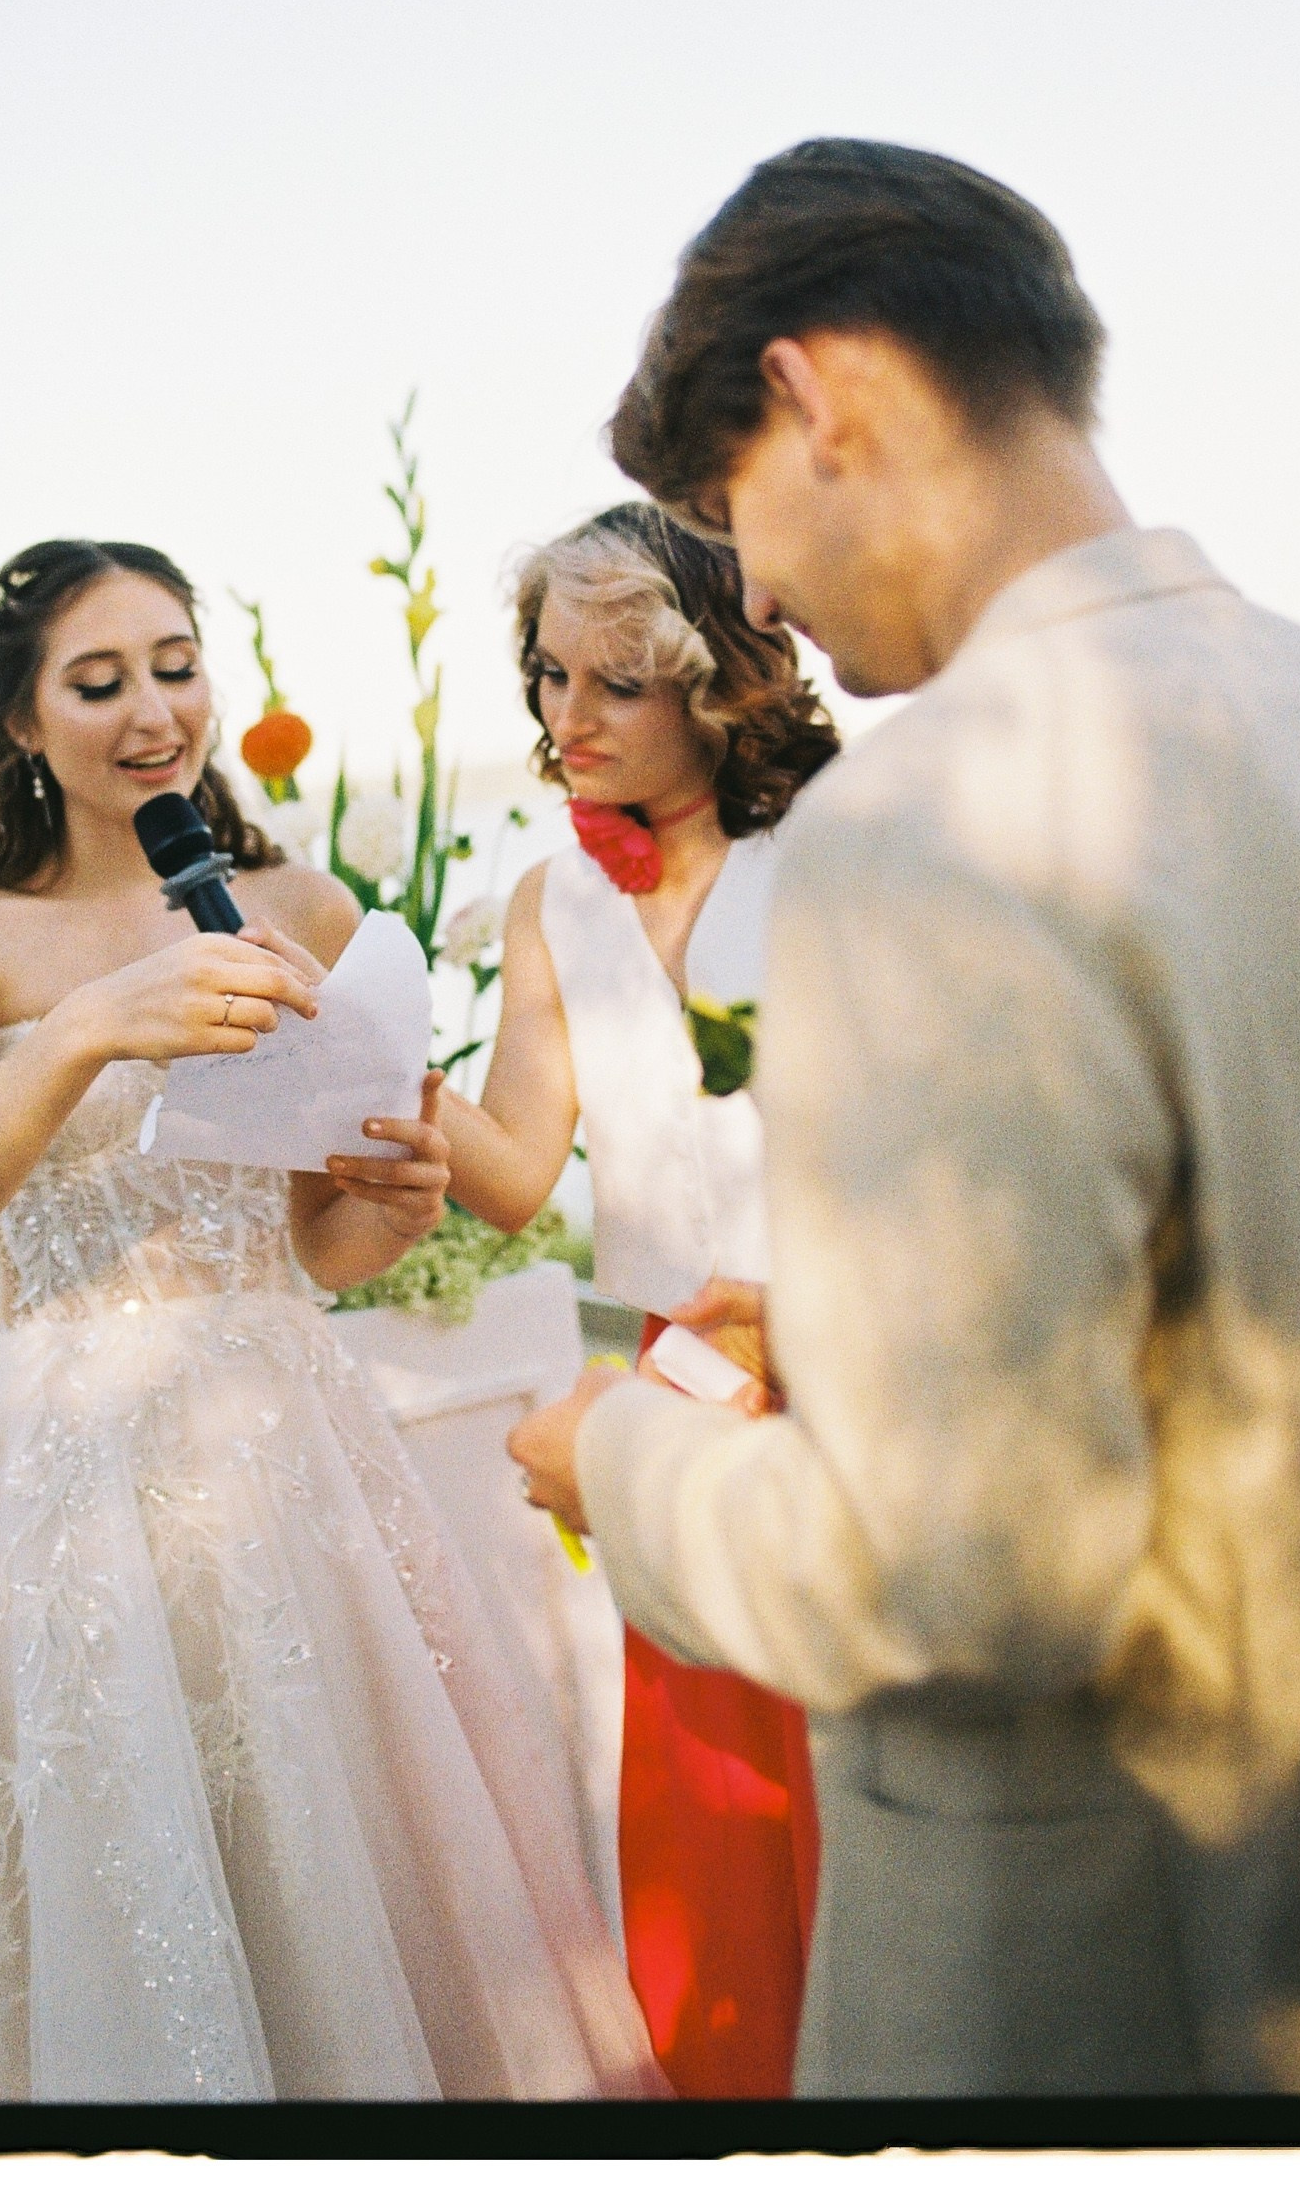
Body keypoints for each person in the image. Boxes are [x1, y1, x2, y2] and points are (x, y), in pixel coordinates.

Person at [509, 139, 1300, 2097]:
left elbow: (970, 1575)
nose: (749, 588)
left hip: (1109, 1977)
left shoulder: (921, 832)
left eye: (730, 509)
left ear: (825, 397)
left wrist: (620, 1468)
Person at [0, 538, 663, 2103]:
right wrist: (82, 1031)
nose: (154, 711)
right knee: (123, 1865)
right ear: (17, 721)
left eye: (176, 662)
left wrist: (378, 1209)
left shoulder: (296, 906)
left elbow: (310, 1237)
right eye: (99, 678)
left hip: (289, 1440)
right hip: (68, 1460)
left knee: (341, 1863)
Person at [436, 501, 839, 2098]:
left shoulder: (837, 847)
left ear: (712, 679)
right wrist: (372, 1091)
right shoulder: (552, 905)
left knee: (863, 1792)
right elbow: (517, 1170)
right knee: (713, 1813)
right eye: (547, 677)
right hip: (671, 1395)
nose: (566, 720)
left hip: (853, 1366)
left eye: (616, 683)